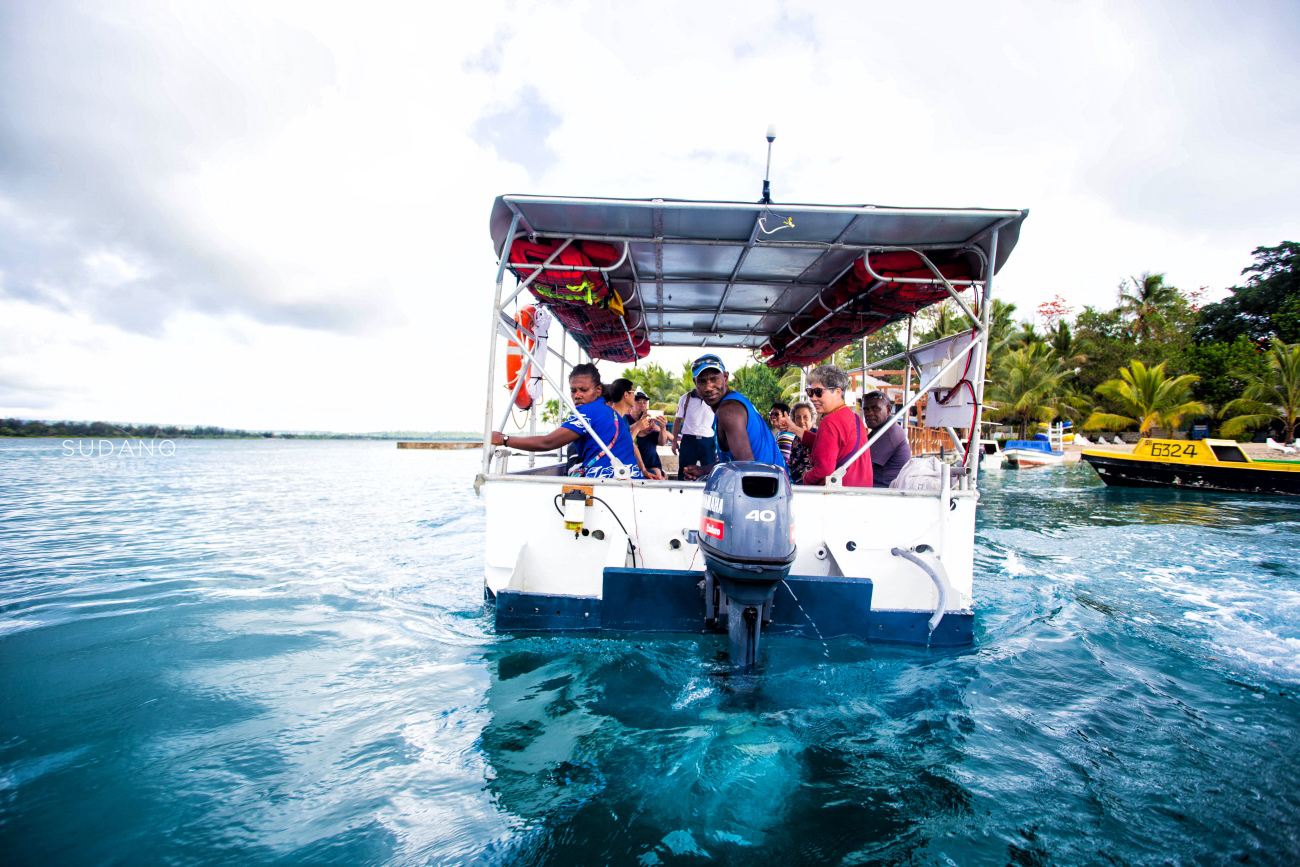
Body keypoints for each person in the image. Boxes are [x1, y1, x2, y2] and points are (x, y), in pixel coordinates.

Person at [491, 364, 644, 479]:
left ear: (598, 390)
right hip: (629, 480)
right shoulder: (613, 414)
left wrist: (503, 439)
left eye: (584, 390)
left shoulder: (587, 412)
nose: (577, 396)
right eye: (573, 390)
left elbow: (548, 443)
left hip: (607, 484)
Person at [682, 354, 785, 480]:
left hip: (765, 489)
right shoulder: (735, 401)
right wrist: (703, 470)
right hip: (772, 484)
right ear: (695, 383)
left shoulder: (728, 411)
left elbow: (746, 468)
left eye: (714, 379)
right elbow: (735, 461)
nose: (708, 388)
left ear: (725, 378)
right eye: (702, 381)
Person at [787, 364, 871, 487]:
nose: (813, 398)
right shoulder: (855, 418)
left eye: (818, 392)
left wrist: (805, 478)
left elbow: (823, 471)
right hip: (862, 492)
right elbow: (828, 443)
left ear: (837, 392)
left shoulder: (830, 421)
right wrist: (794, 429)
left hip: (839, 495)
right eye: (810, 392)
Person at [861, 390, 911, 488]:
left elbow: (860, 464)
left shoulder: (890, 432)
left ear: (888, 410)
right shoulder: (879, 430)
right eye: (866, 409)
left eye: (875, 408)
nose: (869, 413)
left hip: (884, 491)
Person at [672, 382, 717, 481]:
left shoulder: (714, 398)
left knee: (711, 474)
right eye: (701, 381)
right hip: (689, 441)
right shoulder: (685, 398)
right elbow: (677, 420)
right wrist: (674, 441)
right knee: (684, 473)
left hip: (708, 442)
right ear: (695, 381)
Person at [627, 391, 668, 480]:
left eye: (644, 402)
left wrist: (663, 428)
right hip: (633, 466)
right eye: (638, 402)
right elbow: (623, 433)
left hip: (652, 466)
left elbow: (662, 442)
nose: (642, 405)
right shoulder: (626, 419)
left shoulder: (652, 429)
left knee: (657, 473)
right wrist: (638, 426)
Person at [785, 400, 816, 484]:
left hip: (812, 486)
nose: (802, 421)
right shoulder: (795, 439)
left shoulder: (817, 435)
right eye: (798, 417)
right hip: (796, 485)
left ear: (812, 419)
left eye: (805, 417)